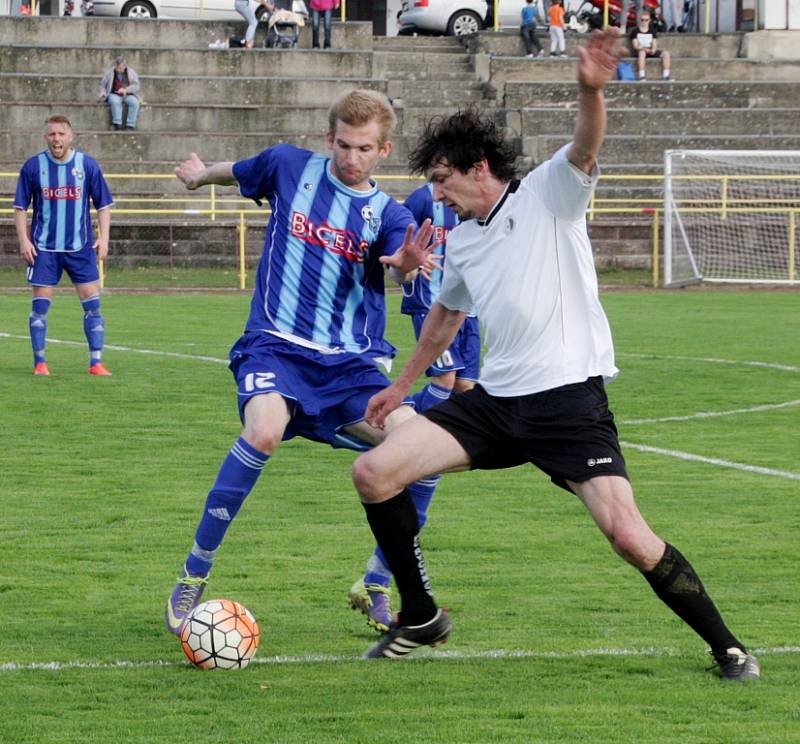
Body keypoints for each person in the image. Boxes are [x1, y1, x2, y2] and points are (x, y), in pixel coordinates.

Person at [349, 29, 761, 682]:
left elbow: (585, 145)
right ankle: (421, 614)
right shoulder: (461, 242)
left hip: (568, 401)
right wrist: (402, 385)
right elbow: (444, 315)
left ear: (478, 166)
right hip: (494, 404)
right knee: (374, 474)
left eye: (442, 179)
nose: (437, 194)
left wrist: (589, 90)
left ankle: (727, 646)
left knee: (629, 536)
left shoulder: (547, 196)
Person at [165, 89, 442, 638]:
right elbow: (237, 170)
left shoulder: (389, 213)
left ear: (383, 150)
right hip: (275, 345)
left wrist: (406, 267)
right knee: (263, 430)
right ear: (328, 137)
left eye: (364, 148)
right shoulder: (289, 166)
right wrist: (200, 176)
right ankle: (194, 573)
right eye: (343, 144)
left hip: (349, 367)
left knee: (425, 453)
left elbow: (397, 265)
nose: (350, 157)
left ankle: (379, 581)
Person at [347, 183, 480, 631]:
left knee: (465, 388)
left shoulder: (488, 205)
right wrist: (407, 274)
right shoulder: (424, 200)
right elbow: (401, 254)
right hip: (433, 302)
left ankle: (378, 573)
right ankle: (394, 428)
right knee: (442, 389)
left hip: (472, 308)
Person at [13, 115, 113, 377]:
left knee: (92, 305)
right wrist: (24, 240)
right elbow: (20, 207)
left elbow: (103, 205)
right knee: (40, 307)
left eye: (61, 134)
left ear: (71, 136)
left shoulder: (87, 165)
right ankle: (40, 363)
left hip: (80, 247)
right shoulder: (33, 166)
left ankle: (96, 363)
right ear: (46, 137)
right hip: (44, 248)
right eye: (52, 134)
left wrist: (103, 238)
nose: (56, 139)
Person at [97, 56, 141, 131]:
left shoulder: (131, 72)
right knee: (115, 101)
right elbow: (102, 85)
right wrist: (103, 91)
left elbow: (137, 86)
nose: (119, 70)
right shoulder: (109, 72)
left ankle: (130, 125)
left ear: (125, 66)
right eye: (118, 68)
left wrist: (126, 90)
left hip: (127, 94)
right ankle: (117, 124)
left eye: (121, 68)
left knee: (134, 102)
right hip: (114, 93)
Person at [628, 9, 671, 80]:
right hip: (640, 50)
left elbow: (654, 43)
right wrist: (644, 49)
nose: (644, 22)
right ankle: (641, 75)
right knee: (642, 53)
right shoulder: (635, 31)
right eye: (642, 20)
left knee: (666, 54)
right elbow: (635, 46)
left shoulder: (652, 31)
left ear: (649, 20)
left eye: (646, 20)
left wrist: (653, 49)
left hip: (650, 49)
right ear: (640, 20)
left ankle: (666, 75)